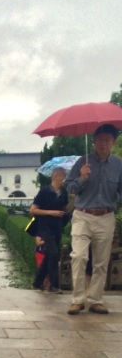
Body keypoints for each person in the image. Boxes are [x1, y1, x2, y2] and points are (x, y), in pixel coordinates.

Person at [65, 124, 122, 314]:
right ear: (94, 141)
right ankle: (78, 299)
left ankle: (96, 299)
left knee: (101, 261)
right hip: (83, 215)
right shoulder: (83, 161)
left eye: (108, 140)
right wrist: (82, 178)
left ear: (113, 143)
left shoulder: (118, 164)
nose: (103, 144)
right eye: (100, 140)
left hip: (106, 216)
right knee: (79, 256)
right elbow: (70, 188)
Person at [29, 166, 69, 294]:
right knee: (54, 253)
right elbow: (33, 210)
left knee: (49, 255)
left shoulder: (64, 193)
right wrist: (51, 212)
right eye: (62, 176)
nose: (64, 179)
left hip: (57, 226)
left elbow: (65, 208)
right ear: (55, 177)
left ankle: (37, 281)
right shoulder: (44, 191)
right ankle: (53, 284)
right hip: (45, 227)